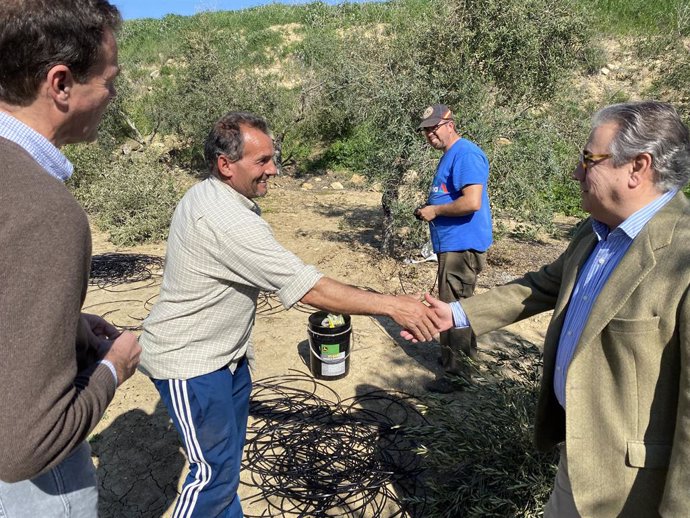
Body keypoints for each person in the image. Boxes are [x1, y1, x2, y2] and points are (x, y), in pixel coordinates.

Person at [139, 111, 443, 517]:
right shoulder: (224, 218)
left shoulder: (219, 197)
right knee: (211, 478)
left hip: (226, 358)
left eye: (272, 158)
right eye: (262, 161)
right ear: (225, 165)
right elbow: (310, 288)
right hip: (191, 363)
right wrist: (392, 305)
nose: (274, 170)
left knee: (225, 467)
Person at [416, 100, 690, 517]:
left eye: (588, 159)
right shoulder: (596, 230)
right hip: (576, 459)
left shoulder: (682, 257)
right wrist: (456, 314)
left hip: (630, 490)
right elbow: (541, 285)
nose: (576, 172)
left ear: (638, 167)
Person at [0, 1, 141, 515]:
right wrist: (112, 369)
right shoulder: (44, 211)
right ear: (60, 84)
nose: (113, 96)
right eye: (110, 80)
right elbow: (25, 449)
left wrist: (63, 323)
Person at [415, 104, 493, 393]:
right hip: (453, 247)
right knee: (457, 307)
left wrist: (436, 211)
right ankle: (459, 359)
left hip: (462, 248)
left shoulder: (466, 154)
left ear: (450, 123)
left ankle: (457, 375)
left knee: (455, 310)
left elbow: (471, 202)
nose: (430, 133)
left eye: (434, 127)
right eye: (426, 130)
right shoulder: (451, 155)